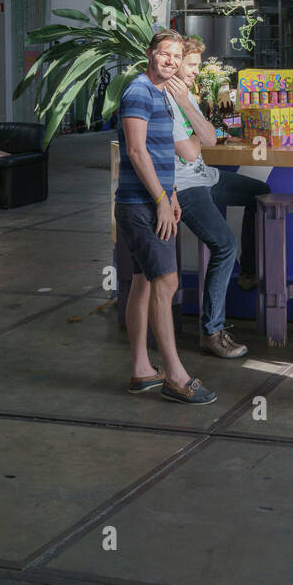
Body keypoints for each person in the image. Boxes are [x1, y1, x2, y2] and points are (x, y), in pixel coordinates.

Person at [116, 29, 216, 405]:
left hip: (154, 202)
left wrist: (170, 194)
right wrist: (160, 198)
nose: (170, 61)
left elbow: (162, 153)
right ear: (150, 54)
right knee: (167, 282)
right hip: (139, 205)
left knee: (144, 282)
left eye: (176, 56)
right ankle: (175, 376)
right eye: (164, 54)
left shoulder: (160, 94)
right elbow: (137, 151)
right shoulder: (139, 92)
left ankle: (142, 370)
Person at [165, 38, 271, 351]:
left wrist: (202, 127)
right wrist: (193, 118)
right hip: (184, 185)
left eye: (199, 65)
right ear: (176, 63)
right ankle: (212, 332)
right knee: (224, 244)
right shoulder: (168, 100)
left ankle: (249, 271)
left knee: (260, 193)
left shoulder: (189, 96)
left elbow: (210, 137)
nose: (196, 71)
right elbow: (191, 147)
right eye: (192, 65)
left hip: (206, 176)